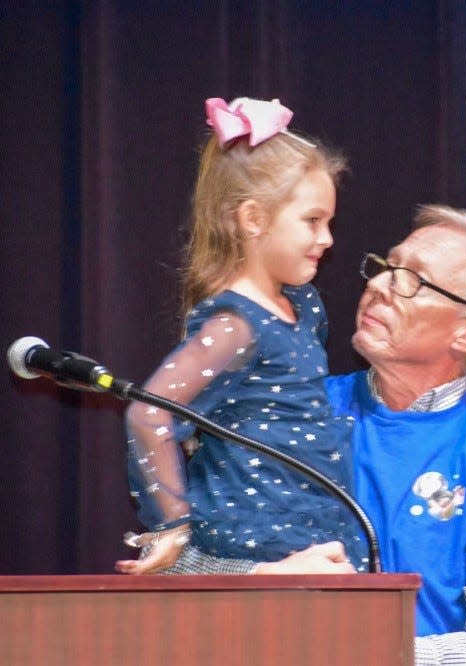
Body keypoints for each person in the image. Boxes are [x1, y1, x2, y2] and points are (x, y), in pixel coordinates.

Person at [122, 204, 466, 664]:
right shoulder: (278, 407)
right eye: (387, 266)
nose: (377, 285)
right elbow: (171, 565)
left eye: (413, 279)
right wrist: (258, 573)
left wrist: (362, 656)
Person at [115, 96, 366, 576]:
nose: (328, 238)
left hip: (318, 537)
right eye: (313, 221)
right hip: (257, 549)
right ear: (253, 219)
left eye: (329, 222)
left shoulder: (305, 306)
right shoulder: (235, 326)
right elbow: (150, 413)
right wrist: (172, 523)